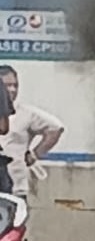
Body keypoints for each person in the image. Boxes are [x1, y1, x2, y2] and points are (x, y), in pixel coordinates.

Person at [0, 66, 61, 198]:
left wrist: (35, 154)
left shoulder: (26, 113)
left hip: (15, 189)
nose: (12, 90)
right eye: (6, 86)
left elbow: (56, 128)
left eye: (15, 85)